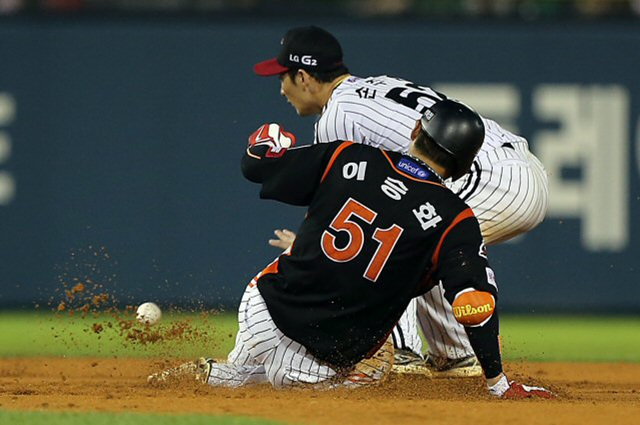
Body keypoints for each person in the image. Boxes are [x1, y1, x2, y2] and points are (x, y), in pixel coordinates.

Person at [148, 100, 553, 399]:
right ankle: (228, 377)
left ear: (415, 132)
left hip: (261, 308)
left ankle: (226, 373)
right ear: (464, 168)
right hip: (320, 357)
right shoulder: (455, 219)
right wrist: (497, 383)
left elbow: (256, 167)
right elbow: (474, 302)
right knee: (372, 373)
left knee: (265, 353)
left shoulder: (347, 155)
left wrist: (263, 145)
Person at [253, 25, 549, 377]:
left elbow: (355, 210)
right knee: (420, 235)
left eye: (283, 77)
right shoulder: (371, 87)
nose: (281, 88)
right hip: (518, 168)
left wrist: (308, 243)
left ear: (303, 77)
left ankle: (403, 352)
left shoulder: (338, 115)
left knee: (401, 238)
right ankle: (454, 356)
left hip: (492, 177)